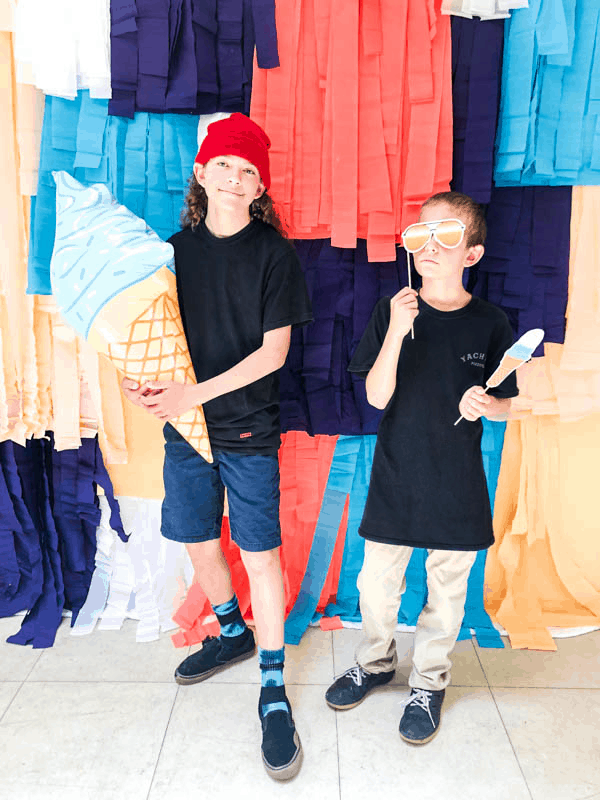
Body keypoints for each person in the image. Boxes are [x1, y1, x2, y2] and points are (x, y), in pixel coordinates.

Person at [122, 113, 313, 780]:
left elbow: (275, 354)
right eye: (224, 166)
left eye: (249, 170)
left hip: (247, 428)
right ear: (202, 174)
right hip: (186, 432)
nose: (235, 178)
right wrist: (139, 383)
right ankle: (232, 631)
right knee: (198, 539)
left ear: (260, 186)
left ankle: (271, 683)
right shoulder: (170, 254)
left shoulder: (272, 254)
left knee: (260, 555)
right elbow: (151, 341)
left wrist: (190, 396)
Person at [324, 191, 518, 744]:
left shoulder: (490, 322)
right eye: (420, 234)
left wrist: (491, 404)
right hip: (396, 476)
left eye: (447, 235)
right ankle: (378, 660)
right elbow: (378, 397)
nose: (430, 246)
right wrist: (394, 331)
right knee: (376, 585)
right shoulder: (393, 310)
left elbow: (507, 401)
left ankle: (430, 681)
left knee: (447, 593)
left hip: (457, 483)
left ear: (472, 254)